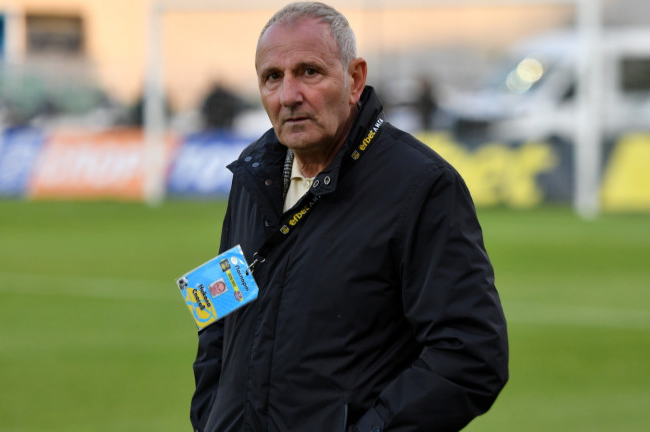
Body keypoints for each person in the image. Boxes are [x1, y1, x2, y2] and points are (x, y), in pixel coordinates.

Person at [190, 3, 508, 432]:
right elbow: (219, 309)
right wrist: (211, 417)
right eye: (272, 77)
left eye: (309, 72)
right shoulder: (252, 173)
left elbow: (471, 353)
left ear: (354, 79)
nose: (288, 95)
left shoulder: (420, 186)